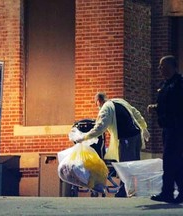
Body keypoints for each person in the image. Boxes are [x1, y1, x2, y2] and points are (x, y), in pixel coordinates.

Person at [71, 92, 150, 197]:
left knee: (125, 164)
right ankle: (133, 190)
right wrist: (144, 127)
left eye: (96, 104)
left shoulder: (106, 108)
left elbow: (100, 127)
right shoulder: (120, 101)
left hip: (126, 137)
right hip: (136, 135)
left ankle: (124, 190)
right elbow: (136, 113)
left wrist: (84, 137)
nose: (98, 107)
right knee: (134, 164)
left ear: (98, 101)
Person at [147, 55, 183, 204]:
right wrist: (155, 107)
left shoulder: (179, 84)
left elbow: (176, 105)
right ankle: (176, 192)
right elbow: (164, 104)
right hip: (167, 127)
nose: (160, 69)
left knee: (170, 161)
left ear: (173, 66)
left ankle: (167, 192)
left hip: (177, 128)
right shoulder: (165, 84)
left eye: (163, 66)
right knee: (175, 162)